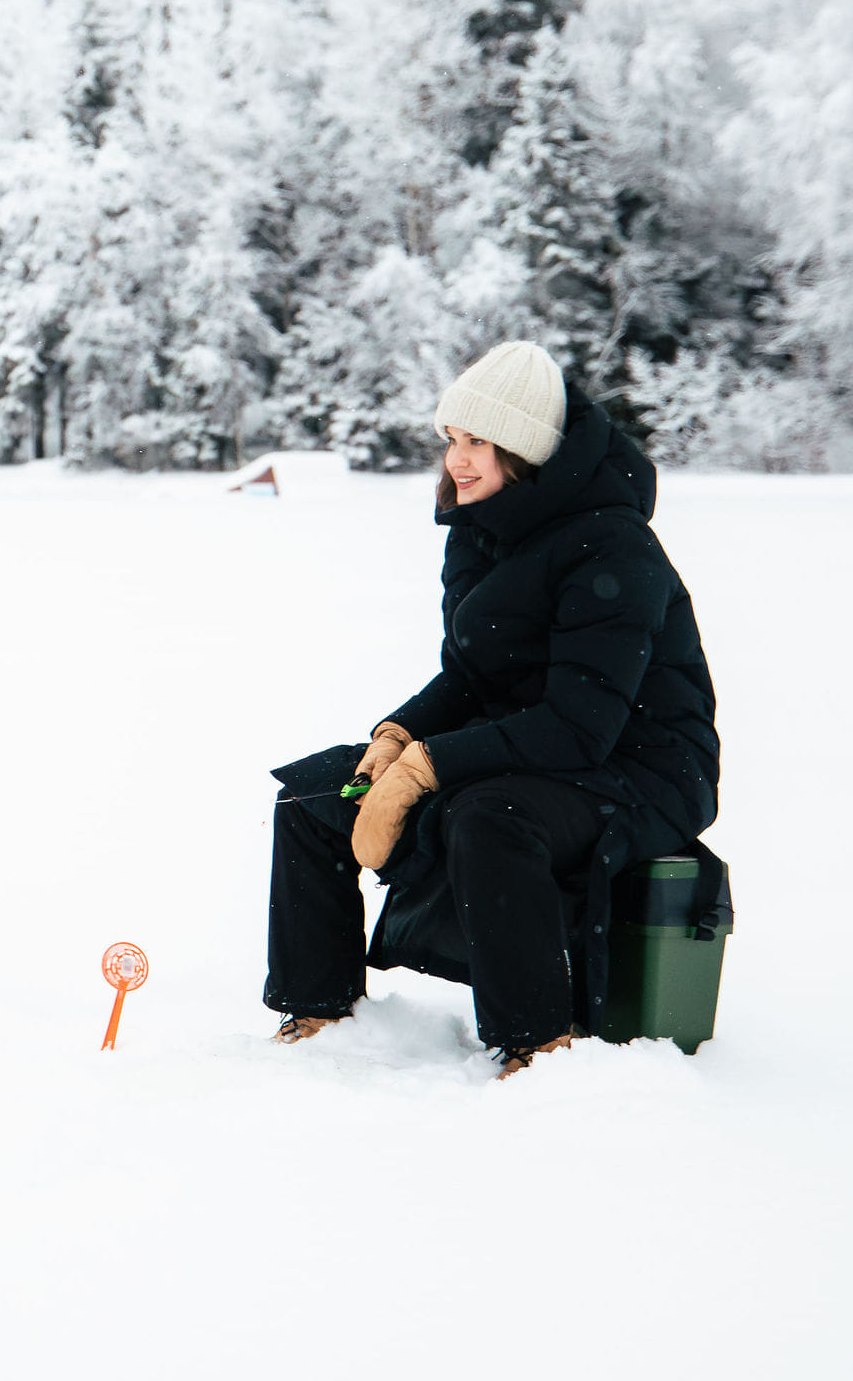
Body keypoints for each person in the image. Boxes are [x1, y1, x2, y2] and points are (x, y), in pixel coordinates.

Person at [263, 341, 719, 1076]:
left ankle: (535, 1042)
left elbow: (580, 724)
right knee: (316, 796)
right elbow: (470, 680)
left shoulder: (613, 547)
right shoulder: (484, 529)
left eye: (478, 441)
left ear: (527, 450)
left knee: (490, 818)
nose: (457, 461)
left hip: (641, 766)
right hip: (535, 741)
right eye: (452, 440)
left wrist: (428, 767)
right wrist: (397, 736)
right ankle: (316, 1009)